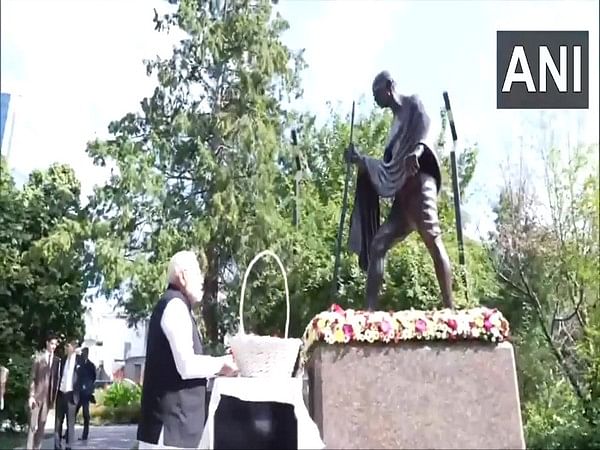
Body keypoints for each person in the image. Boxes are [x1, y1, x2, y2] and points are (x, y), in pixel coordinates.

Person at [346, 70, 455, 311]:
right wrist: (360, 160)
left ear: (389, 87)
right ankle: (369, 313)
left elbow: (429, 127)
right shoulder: (393, 127)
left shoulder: (413, 103)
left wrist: (417, 151)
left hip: (419, 184)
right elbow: (388, 167)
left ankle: (450, 309)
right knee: (378, 244)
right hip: (402, 198)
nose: (375, 100)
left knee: (433, 241)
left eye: (377, 93)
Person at [137, 250, 238, 450]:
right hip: (170, 431)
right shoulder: (175, 306)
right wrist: (222, 363)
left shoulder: (176, 306)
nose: (202, 279)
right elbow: (187, 365)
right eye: (197, 273)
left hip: (174, 430)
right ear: (182, 277)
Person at [26, 333, 60, 450]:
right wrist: (31, 396)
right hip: (36, 397)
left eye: (55, 344)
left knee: (41, 427)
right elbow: (32, 378)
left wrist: (53, 400)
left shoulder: (56, 361)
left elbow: (56, 380)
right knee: (32, 426)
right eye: (52, 344)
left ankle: (37, 448)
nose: (53, 346)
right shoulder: (38, 359)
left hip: (47, 399)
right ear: (47, 343)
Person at [54, 339, 80, 450]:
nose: (65, 348)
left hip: (71, 396)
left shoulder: (79, 361)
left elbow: (83, 378)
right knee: (58, 422)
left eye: (67, 346)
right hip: (61, 394)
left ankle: (69, 447)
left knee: (70, 424)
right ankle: (57, 446)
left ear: (73, 348)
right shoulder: (63, 360)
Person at [75, 347, 96, 441]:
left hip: (86, 394)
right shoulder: (78, 364)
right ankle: (68, 433)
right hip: (78, 392)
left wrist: (88, 388)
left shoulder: (91, 365)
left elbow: (93, 378)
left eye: (85, 353)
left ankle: (85, 435)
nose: (83, 354)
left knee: (86, 415)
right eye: (82, 353)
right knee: (73, 413)